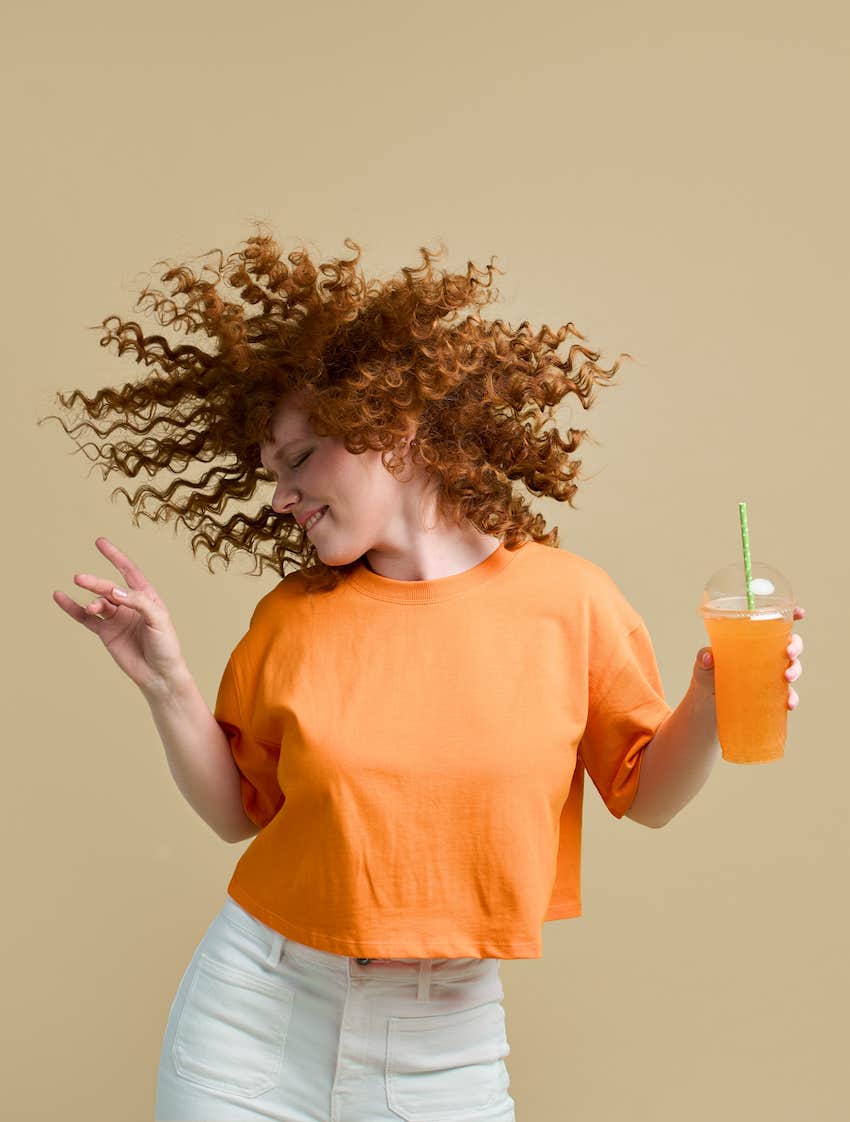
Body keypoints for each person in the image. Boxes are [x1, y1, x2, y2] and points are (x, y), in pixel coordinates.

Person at [46, 228, 805, 1121]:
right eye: (269, 474)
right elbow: (232, 816)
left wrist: (713, 699)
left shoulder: (571, 602)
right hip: (254, 1014)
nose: (280, 497)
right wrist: (165, 679)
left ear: (390, 429)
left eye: (298, 459)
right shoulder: (293, 618)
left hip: (443, 1045)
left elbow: (648, 795)